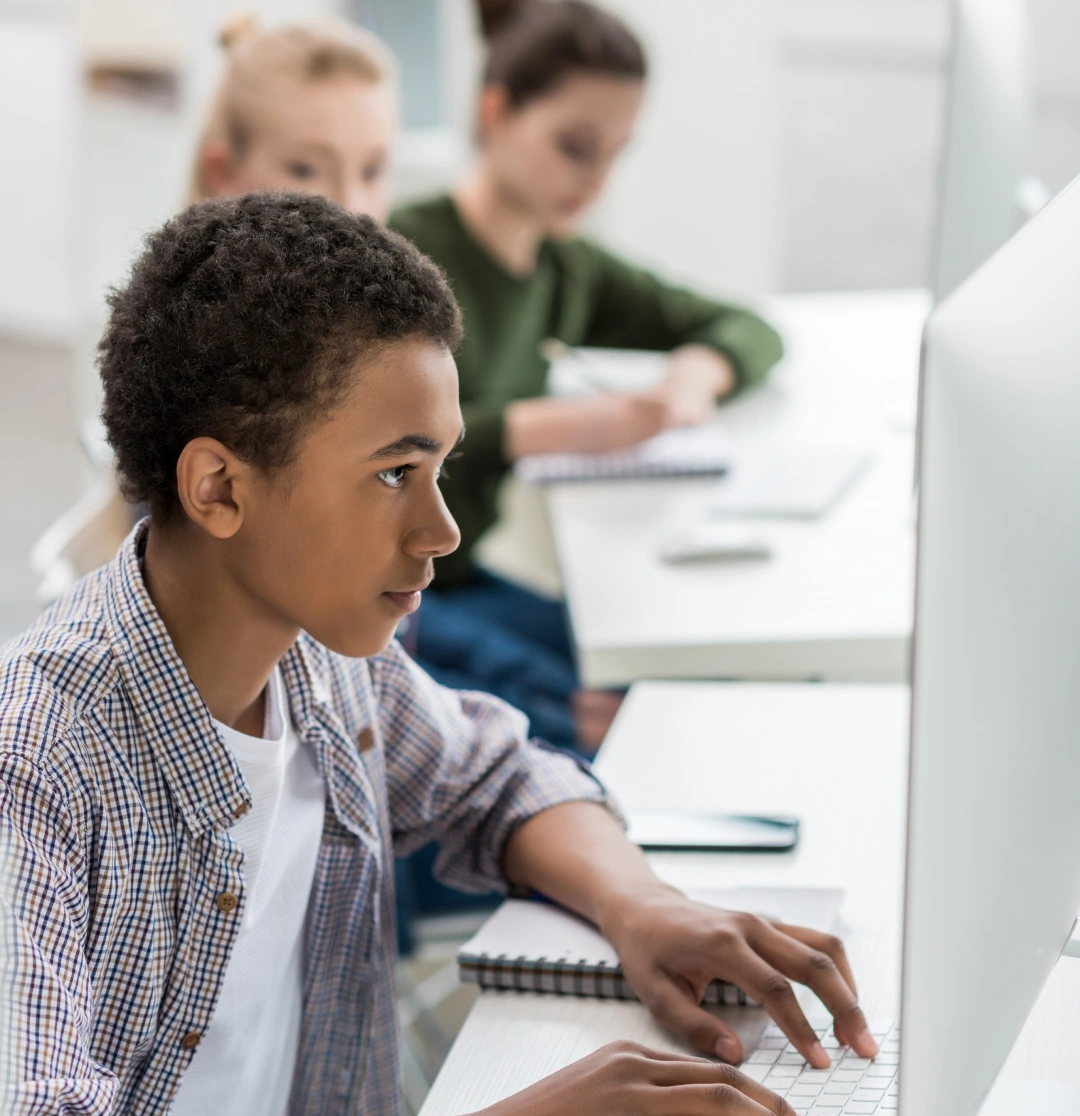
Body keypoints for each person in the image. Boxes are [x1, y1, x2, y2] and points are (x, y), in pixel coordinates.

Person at [0, 193, 877, 1116]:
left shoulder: (324, 666)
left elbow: (496, 779)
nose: (443, 531)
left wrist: (641, 905)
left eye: (441, 470)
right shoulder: (34, 774)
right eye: (392, 473)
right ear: (219, 487)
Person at [390, 0, 785, 753]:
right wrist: (540, 428)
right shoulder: (405, 255)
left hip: (465, 584)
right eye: (575, 146)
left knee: (691, 679)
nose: (596, 179)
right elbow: (368, 446)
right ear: (497, 112)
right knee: (609, 721)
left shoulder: (565, 269)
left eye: (616, 152)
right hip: (400, 600)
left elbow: (750, 328)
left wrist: (699, 373)